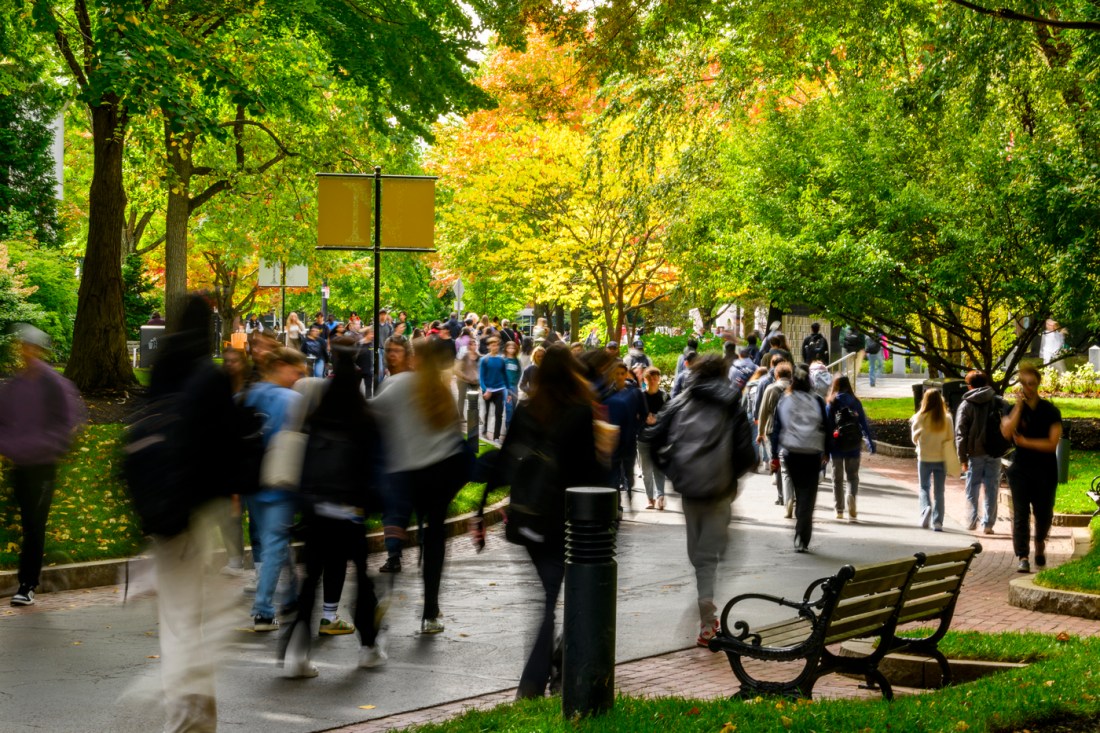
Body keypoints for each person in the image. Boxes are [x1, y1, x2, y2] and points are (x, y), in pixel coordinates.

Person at [477, 344, 605, 699]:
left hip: (527, 518)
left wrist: (481, 511)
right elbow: (588, 472)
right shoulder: (579, 413)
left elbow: (504, 461)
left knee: (547, 597)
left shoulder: (527, 409)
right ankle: (534, 681)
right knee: (551, 599)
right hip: (560, 520)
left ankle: (546, 672)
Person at [143, 295, 241, 732]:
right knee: (196, 621)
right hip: (199, 507)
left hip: (163, 508)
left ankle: (193, 716)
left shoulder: (163, 368)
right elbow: (225, 444)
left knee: (178, 620)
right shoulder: (210, 376)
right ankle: (190, 720)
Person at [279, 337, 385, 678]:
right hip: (350, 510)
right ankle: (368, 646)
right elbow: (375, 467)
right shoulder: (365, 417)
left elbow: (305, 461)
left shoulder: (319, 414)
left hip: (317, 507)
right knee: (362, 578)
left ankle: (296, 653)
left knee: (311, 579)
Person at [644, 354, 755, 646]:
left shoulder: (681, 400)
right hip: (719, 490)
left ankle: (706, 611)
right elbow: (747, 453)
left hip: (690, 490)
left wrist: (672, 472)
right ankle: (707, 615)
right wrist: (730, 478)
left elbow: (652, 438)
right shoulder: (731, 402)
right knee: (711, 556)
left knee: (700, 556)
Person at [373, 338, 468, 633]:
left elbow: (368, 415)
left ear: (414, 359)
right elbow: (454, 432)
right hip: (439, 475)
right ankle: (430, 611)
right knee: (435, 539)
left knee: (396, 527)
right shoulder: (441, 391)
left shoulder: (397, 385)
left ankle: (384, 597)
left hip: (405, 474)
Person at [0, 324, 85, 607]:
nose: (26, 351)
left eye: (31, 347)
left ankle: (27, 584)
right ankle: (29, 573)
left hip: (43, 465)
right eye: (23, 346)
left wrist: (47, 446)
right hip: (20, 464)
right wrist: (9, 446)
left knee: (34, 525)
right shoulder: (17, 384)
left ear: (41, 350)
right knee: (23, 523)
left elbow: (70, 421)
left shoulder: (53, 383)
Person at [246, 347, 308, 631]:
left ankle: (291, 596)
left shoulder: (249, 395)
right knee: (274, 545)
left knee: (274, 542)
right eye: (296, 372)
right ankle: (263, 609)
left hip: (251, 480)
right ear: (281, 365)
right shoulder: (294, 400)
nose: (298, 378)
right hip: (280, 480)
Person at [1001, 365, 1062, 573]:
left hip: (1045, 470)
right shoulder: (1012, 409)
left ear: (1037, 384)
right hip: (1020, 469)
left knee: (1044, 514)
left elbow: (1052, 443)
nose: (1027, 388)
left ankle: (1040, 542)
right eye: (1024, 383)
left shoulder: (1050, 411)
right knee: (1020, 514)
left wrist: (1026, 442)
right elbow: (1007, 432)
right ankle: (1023, 556)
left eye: (1031, 383)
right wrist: (1018, 407)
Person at [770, 367, 829, 552]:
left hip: (791, 452)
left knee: (797, 489)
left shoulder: (785, 399)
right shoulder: (817, 401)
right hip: (812, 453)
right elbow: (826, 426)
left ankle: (797, 513)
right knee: (808, 496)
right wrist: (827, 451)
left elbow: (777, 427)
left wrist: (774, 455)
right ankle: (802, 536)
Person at [955, 370, 1007, 534]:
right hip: (995, 452)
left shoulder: (966, 404)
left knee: (972, 488)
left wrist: (962, 458)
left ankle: (971, 522)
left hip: (975, 453)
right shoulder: (998, 401)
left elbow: (960, 433)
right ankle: (988, 525)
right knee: (992, 489)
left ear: (970, 386)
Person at [378, 335, 413, 573]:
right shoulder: (388, 381)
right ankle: (394, 552)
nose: (391, 355)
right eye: (388, 350)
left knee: (395, 508)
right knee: (394, 509)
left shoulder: (404, 382)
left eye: (396, 351)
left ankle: (395, 552)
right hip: (392, 455)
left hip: (406, 456)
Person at [825, 375, 875, 520]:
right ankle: (851, 496)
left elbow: (827, 427)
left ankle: (839, 510)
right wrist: (870, 442)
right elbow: (864, 424)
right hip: (853, 444)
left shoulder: (831, 403)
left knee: (837, 478)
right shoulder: (855, 402)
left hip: (836, 445)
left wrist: (826, 449)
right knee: (852, 476)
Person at [603, 360, 647, 510]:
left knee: (628, 472)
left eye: (622, 373)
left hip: (629, 440)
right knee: (614, 475)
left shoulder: (634, 394)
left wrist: (636, 429)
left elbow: (643, 413)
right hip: (613, 441)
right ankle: (617, 506)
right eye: (617, 374)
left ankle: (629, 496)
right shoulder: (607, 393)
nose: (620, 377)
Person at [910, 388, 955, 532]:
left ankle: (925, 509)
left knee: (924, 487)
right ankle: (938, 522)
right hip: (941, 459)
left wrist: (919, 441)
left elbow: (914, 437)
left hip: (924, 458)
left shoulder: (920, 417)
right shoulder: (947, 418)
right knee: (939, 492)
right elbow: (950, 438)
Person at [758, 361, 793, 510]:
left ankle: (781, 496)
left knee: (777, 461)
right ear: (790, 375)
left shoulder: (770, 389)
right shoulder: (794, 389)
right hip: (792, 429)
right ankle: (792, 493)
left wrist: (760, 433)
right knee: (791, 461)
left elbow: (763, 411)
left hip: (773, 429)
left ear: (776, 375)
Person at [637, 367, 669, 510]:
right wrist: (644, 419)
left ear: (659, 379)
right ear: (645, 380)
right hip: (643, 437)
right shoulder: (640, 397)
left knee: (659, 469)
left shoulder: (665, 397)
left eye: (655, 378)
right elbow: (634, 415)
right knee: (646, 471)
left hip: (659, 438)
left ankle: (660, 496)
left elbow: (670, 416)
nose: (653, 380)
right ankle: (650, 499)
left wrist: (656, 419)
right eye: (650, 378)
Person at [479, 336, 509, 445]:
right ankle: (485, 431)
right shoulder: (484, 360)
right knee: (486, 412)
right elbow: (481, 377)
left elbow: (505, 375)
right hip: (488, 390)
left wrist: (509, 390)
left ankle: (496, 437)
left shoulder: (501, 360)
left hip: (499, 389)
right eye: (492, 345)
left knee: (499, 414)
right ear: (488, 346)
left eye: (496, 345)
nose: (494, 347)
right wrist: (485, 390)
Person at [502, 339, 522, 427]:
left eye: (513, 348)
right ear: (506, 349)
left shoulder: (517, 361)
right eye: (509, 348)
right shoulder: (503, 360)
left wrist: (516, 383)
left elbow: (519, 373)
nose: (511, 350)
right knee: (509, 408)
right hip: (506, 388)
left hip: (514, 387)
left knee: (513, 407)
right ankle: (508, 427)